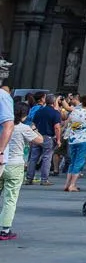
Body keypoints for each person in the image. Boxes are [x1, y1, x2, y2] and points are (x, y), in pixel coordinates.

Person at [1, 100, 41, 240]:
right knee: (10, 198)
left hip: (2, 162)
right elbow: (40, 140)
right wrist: (34, 129)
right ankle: (5, 229)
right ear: (25, 115)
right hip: (15, 164)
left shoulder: (3, 125)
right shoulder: (24, 128)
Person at [25, 91, 60, 185]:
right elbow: (57, 127)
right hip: (48, 137)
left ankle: (29, 178)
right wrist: (58, 139)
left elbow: (34, 123)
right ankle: (44, 179)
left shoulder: (39, 111)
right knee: (47, 158)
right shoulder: (55, 113)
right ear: (53, 102)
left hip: (37, 135)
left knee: (33, 158)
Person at [63, 94, 86, 191]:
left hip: (73, 139)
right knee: (79, 161)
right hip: (84, 139)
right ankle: (72, 185)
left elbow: (67, 123)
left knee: (72, 161)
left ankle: (67, 184)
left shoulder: (74, 112)